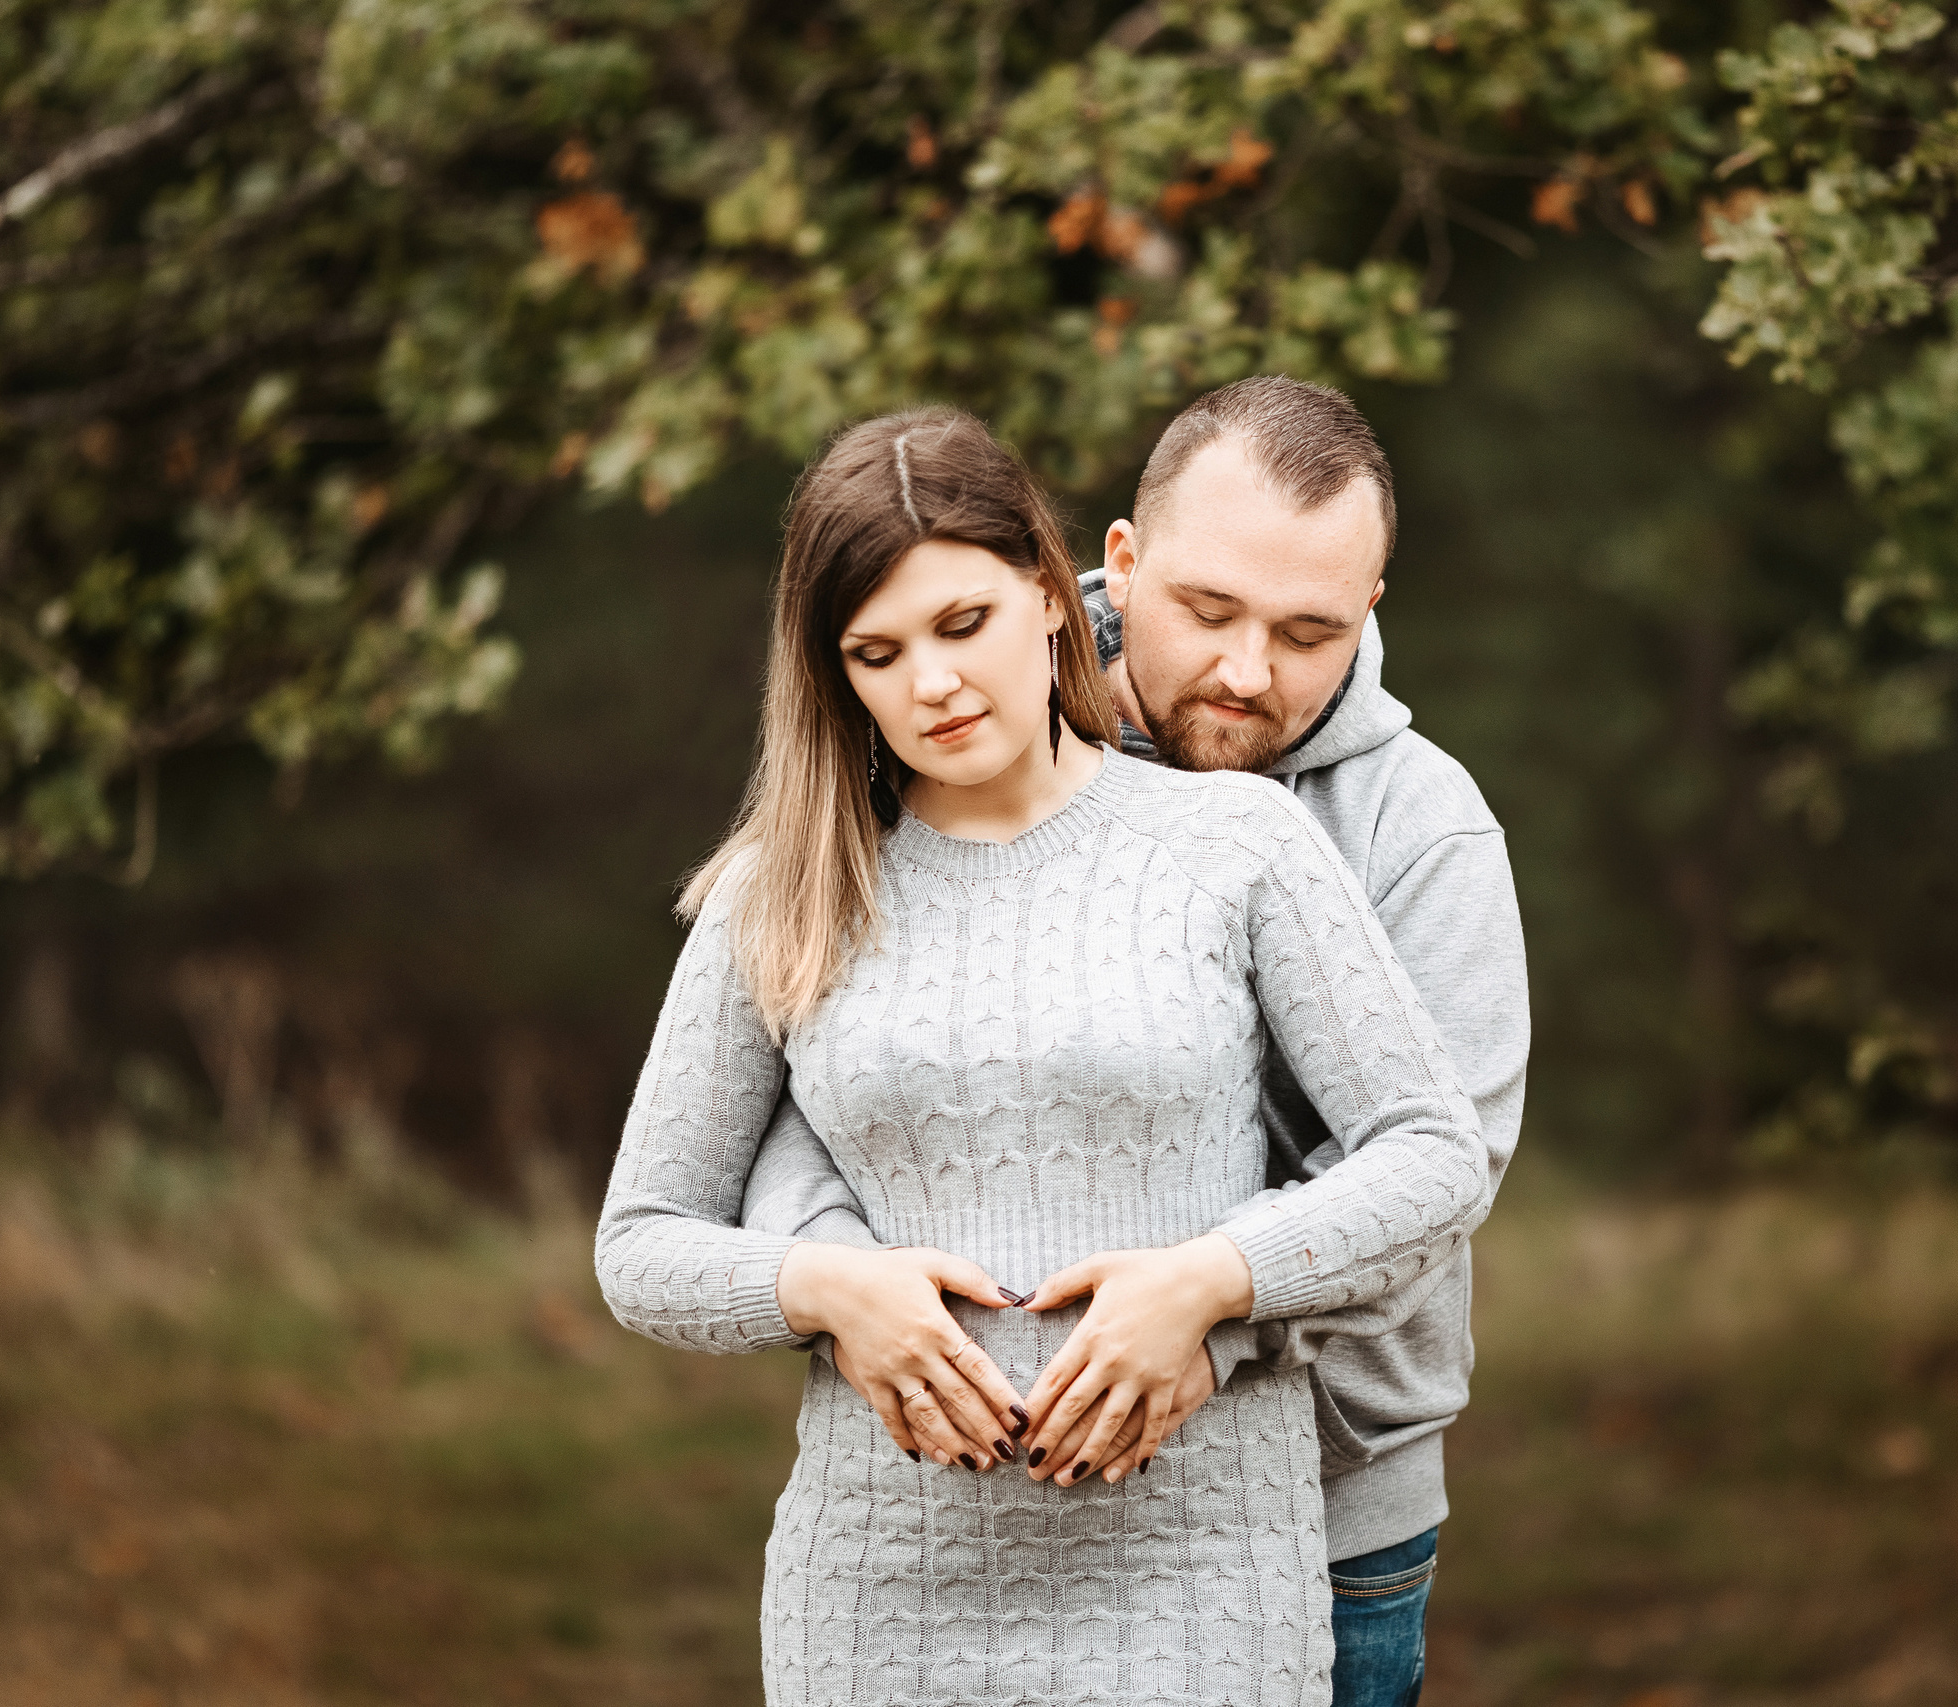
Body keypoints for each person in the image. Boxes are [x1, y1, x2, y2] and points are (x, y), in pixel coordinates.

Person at [594, 405, 1492, 1707]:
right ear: (832, 672)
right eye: (877, 653)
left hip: (1201, 1577)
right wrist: (827, 1289)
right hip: (883, 1598)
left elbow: (1436, 1158)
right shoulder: (781, 894)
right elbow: (640, 1244)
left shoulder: (1235, 846)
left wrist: (1211, 1284)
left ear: (1048, 590)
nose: (936, 684)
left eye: (963, 626)